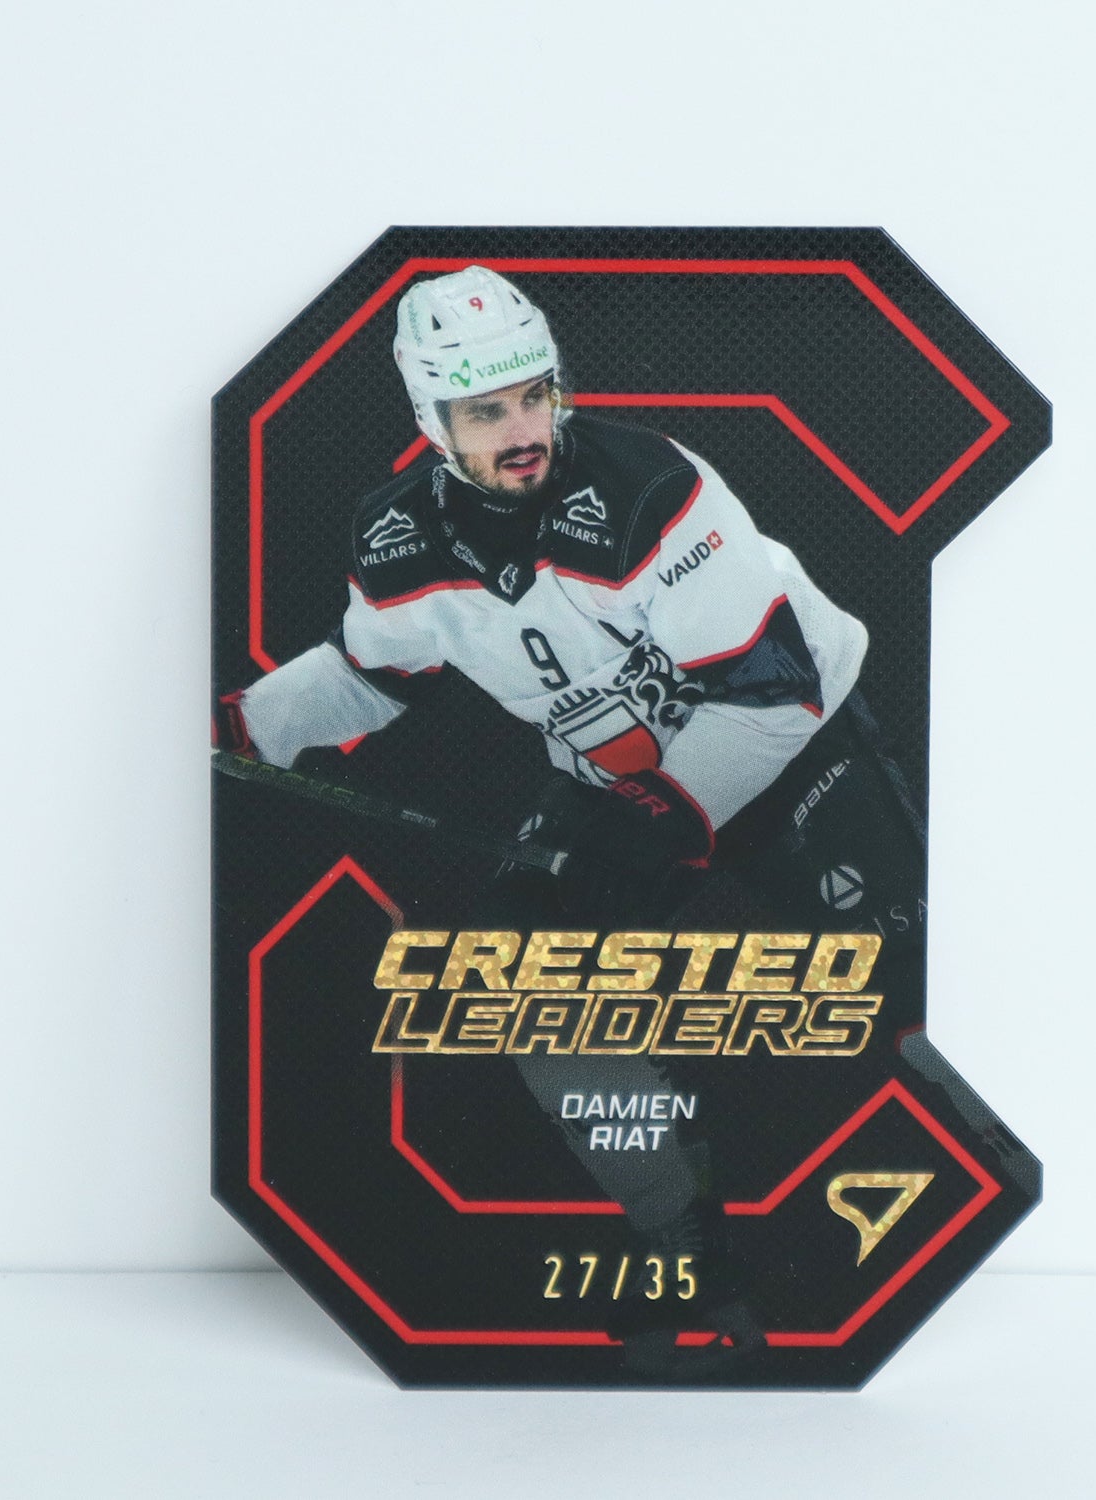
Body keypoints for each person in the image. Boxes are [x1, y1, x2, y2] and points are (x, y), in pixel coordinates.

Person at [215, 266, 926, 1368]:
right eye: (486, 412)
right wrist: (251, 724)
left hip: (792, 746)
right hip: (620, 783)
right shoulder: (399, 539)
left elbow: (771, 688)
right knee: (525, 984)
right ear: (432, 421)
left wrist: (667, 819)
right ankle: (687, 1254)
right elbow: (371, 673)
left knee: (907, 982)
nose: (522, 431)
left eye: (534, 396)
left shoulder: (653, 489)